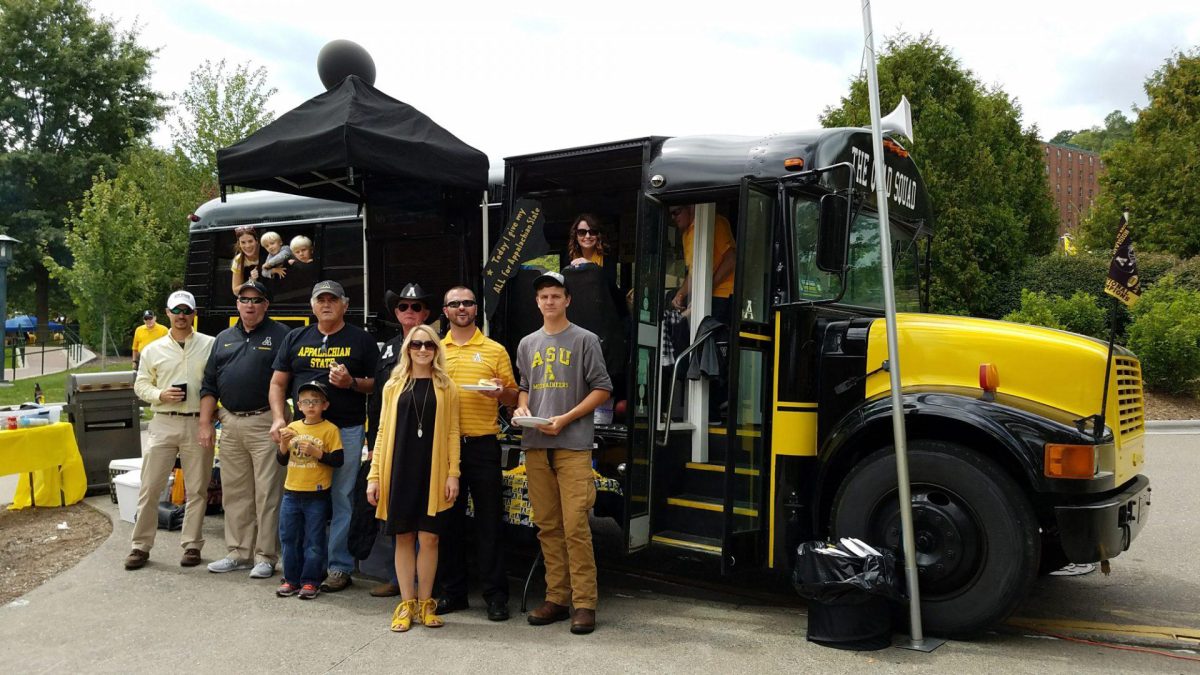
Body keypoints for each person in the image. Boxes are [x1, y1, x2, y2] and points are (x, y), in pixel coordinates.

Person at [513, 271, 612, 635]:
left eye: (556, 296)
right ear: (537, 302)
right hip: (537, 445)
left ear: (567, 300)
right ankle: (556, 597)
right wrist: (523, 409)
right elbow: (524, 387)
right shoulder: (527, 343)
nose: (549, 302)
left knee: (576, 527)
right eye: (544, 297)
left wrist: (566, 418)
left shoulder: (585, 340)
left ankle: (584, 604)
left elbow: (602, 388)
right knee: (548, 527)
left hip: (572, 445)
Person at [270, 280, 379, 593]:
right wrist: (279, 417)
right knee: (300, 497)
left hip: (345, 429)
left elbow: (377, 383)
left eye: (333, 299)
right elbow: (278, 383)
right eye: (321, 299)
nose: (327, 304)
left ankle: (339, 567)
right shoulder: (296, 337)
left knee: (341, 497)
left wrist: (351, 383)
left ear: (345, 304)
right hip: (302, 431)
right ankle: (301, 569)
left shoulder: (361, 339)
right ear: (312, 305)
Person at [366, 324, 461, 632]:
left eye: (429, 345)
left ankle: (425, 603)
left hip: (432, 471)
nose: (422, 350)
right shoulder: (393, 385)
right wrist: (374, 475)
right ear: (407, 349)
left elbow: (452, 433)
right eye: (416, 344)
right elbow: (381, 432)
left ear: (436, 350)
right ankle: (407, 604)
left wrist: (453, 474)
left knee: (430, 538)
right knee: (404, 537)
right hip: (399, 468)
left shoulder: (447, 386)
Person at [435, 286, 519, 621]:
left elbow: (513, 398)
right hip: (445, 450)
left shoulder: (495, 350)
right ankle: (453, 593)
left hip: (484, 444)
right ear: (445, 311)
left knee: (489, 524)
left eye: (468, 303)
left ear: (475, 309)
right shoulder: (436, 350)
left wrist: (502, 393)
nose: (462, 308)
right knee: (448, 523)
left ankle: (496, 597)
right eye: (454, 304)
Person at [199, 280, 292, 579]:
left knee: (268, 492)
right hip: (230, 421)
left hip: (266, 421)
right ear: (237, 304)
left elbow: (290, 378)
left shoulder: (282, 336)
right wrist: (205, 424)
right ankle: (238, 552)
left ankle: (265, 556)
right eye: (244, 299)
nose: (249, 305)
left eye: (256, 300)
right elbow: (209, 384)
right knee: (236, 492)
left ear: (266, 304)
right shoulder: (223, 338)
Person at [124, 290, 216, 570]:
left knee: (198, 488)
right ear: (167, 313)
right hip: (163, 421)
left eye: (186, 311)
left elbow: (218, 381)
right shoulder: (153, 349)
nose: (181, 316)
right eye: (176, 310)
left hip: (197, 422)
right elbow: (140, 385)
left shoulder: (211, 344)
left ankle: (191, 544)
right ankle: (140, 545)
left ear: (194, 314)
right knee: (151, 486)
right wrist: (160, 394)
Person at [366, 282, 431, 598]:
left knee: (426, 523)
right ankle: (399, 579)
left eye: (416, 307)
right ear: (396, 312)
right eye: (404, 306)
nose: (410, 312)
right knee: (395, 518)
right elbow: (377, 397)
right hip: (391, 443)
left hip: (425, 445)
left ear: (426, 313)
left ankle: (425, 585)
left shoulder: (436, 346)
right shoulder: (388, 349)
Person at [275, 380, 344, 600]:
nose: (311, 406)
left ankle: (310, 580)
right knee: (288, 537)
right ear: (298, 405)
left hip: (317, 494)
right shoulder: (293, 427)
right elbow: (281, 460)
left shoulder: (330, 430)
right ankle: (291, 579)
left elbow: (338, 459)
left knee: (314, 540)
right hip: (291, 492)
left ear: (325, 405)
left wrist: (318, 452)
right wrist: (284, 444)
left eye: (316, 402)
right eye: (306, 402)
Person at [668, 204, 736, 321]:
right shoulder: (686, 234)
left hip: (723, 295)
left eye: (676, 212)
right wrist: (680, 295)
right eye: (671, 214)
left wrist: (707, 289)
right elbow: (693, 273)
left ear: (691, 208)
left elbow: (731, 259)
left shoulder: (714, 222)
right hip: (705, 295)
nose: (673, 218)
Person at [230, 225, 262, 295]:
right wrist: (251, 281)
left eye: (250, 241)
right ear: (239, 243)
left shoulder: (266, 251)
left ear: (256, 240)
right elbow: (236, 291)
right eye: (243, 242)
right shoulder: (238, 260)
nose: (247, 246)